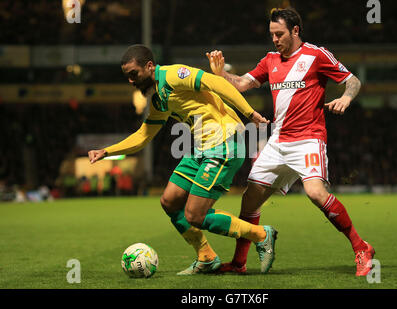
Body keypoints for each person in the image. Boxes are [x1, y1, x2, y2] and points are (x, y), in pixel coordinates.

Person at [206, 8, 374, 276]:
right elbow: (241, 84)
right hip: (277, 141)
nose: (275, 39)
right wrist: (221, 76)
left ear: (295, 30)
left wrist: (346, 98)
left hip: (308, 139)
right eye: (272, 34)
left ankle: (361, 247)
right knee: (250, 201)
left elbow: (352, 80)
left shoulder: (316, 55)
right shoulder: (270, 60)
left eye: (279, 34)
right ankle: (239, 263)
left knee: (316, 194)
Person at [88, 44, 278, 275]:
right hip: (199, 149)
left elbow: (214, 82)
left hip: (225, 142)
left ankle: (262, 235)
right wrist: (106, 151)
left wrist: (249, 113)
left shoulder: (173, 74)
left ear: (149, 66)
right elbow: (144, 135)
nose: (131, 81)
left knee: (195, 215)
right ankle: (206, 256)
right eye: (127, 77)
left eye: (133, 74)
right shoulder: (159, 99)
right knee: (169, 201)